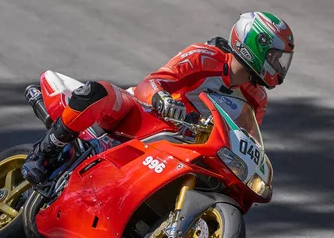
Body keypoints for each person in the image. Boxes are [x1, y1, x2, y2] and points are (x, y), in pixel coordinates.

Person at [21, 11, 295, 185]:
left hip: (188, 148)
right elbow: (149, 84)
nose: (279, 66)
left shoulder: (256, 98)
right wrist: (162, 99)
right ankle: (44, 152)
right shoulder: (204, 56)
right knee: (98, 91)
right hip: (145, 118)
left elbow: (246, 140)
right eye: (274, 58)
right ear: (253, 46)